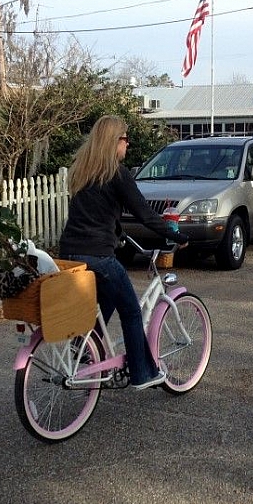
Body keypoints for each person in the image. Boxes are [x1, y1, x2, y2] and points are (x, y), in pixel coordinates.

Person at [59, 115, 189, 390]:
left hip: (69, 254)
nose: (128, 144)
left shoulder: (82, 172)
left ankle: (84, 349)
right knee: (130, 311)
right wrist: (177, 235)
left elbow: (93, 215)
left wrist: (118, 233)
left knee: (105, 301)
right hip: (98, 256)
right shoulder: (117, 174)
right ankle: (142, 374)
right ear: (113, 141)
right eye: (125, 139)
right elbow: (145, 215)